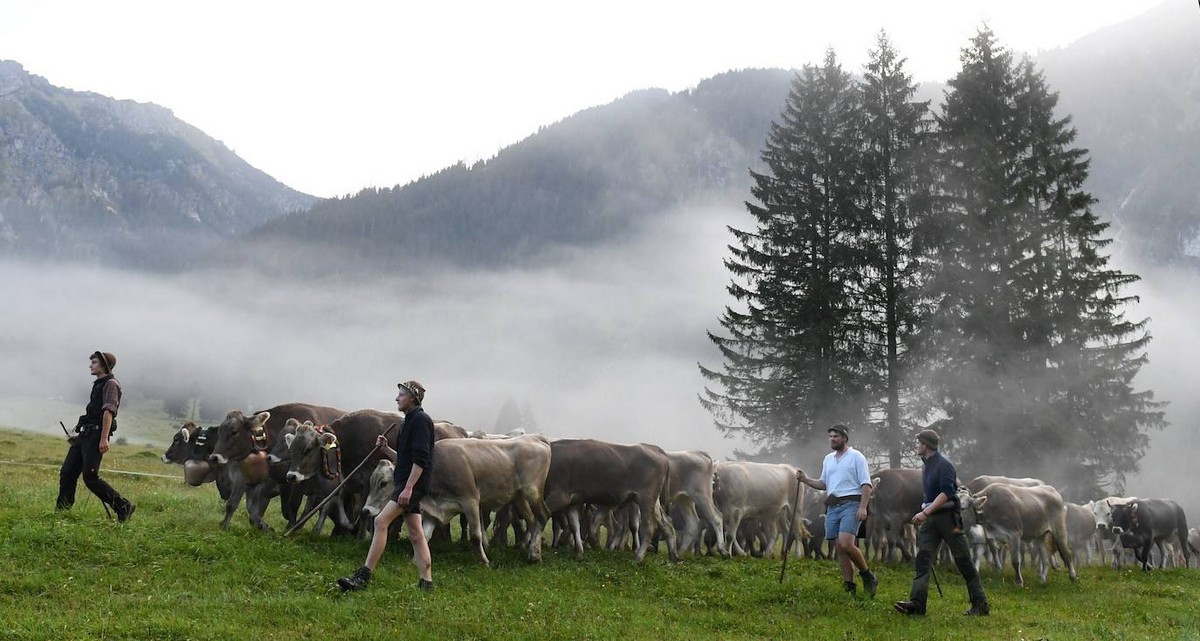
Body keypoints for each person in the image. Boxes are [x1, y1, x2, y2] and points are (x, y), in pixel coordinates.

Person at [338, 380, 435, 593]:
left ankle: (363, 576)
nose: (397, 398)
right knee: (416, 533)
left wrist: (409, 488)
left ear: (414, 397)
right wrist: (386, 449)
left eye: (401, 394)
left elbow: (421, 459)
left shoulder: (421, 421)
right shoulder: (408, 421)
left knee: (380, 521)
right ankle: (426, 583)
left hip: (412, 484)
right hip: (406, 481)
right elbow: (405, 459)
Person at [894, 429, 990, 617]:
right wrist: (926, 509)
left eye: (918, 443)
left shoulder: (944, 465)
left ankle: (980, 604)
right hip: (931, 520)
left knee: (963, 560)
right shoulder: (926, 465)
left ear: (925, 445)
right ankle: (917, 604)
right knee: (923, 558)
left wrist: (925, 511)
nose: (916, 446)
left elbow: (947, 492)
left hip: (948, 518)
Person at [796, 424, 878, 596]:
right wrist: (805, 479)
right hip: (833, 505)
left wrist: (863, 507)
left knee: (846, 543)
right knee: (839, 547)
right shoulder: (828, 459)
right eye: (831, 436)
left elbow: (866, 484)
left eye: (836, 436)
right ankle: (849, 584)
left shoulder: (856, 457)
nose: (832, 439)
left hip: (852, 503)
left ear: (845, 438)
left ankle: (868, 575)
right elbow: (823, 484)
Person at [56, 351, 136, 522]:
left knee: (90, 477)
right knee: (67, 473)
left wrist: (104, 438)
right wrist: (79, 437)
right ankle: (62, 513)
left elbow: (108, 412)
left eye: (94, 362)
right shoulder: (98, 384)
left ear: (105, 365)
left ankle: (123, 506)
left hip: (97, 434)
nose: (90, 365)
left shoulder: (111, 384)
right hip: (86, 434)